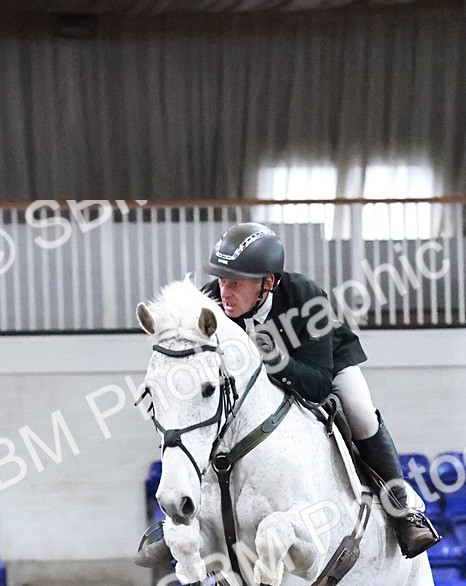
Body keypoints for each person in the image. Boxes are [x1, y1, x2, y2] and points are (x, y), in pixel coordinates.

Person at [133, 222, 440, 566]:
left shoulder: (307, 297)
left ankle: (401, 509)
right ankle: (178, 521)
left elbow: (319, 386)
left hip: (321, 365)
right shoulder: (212, 304)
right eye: (222, 280)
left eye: (235, 283)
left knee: (360, 410)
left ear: (268, 282)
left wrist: (278, 363)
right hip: (253, 389)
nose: (225, 291)